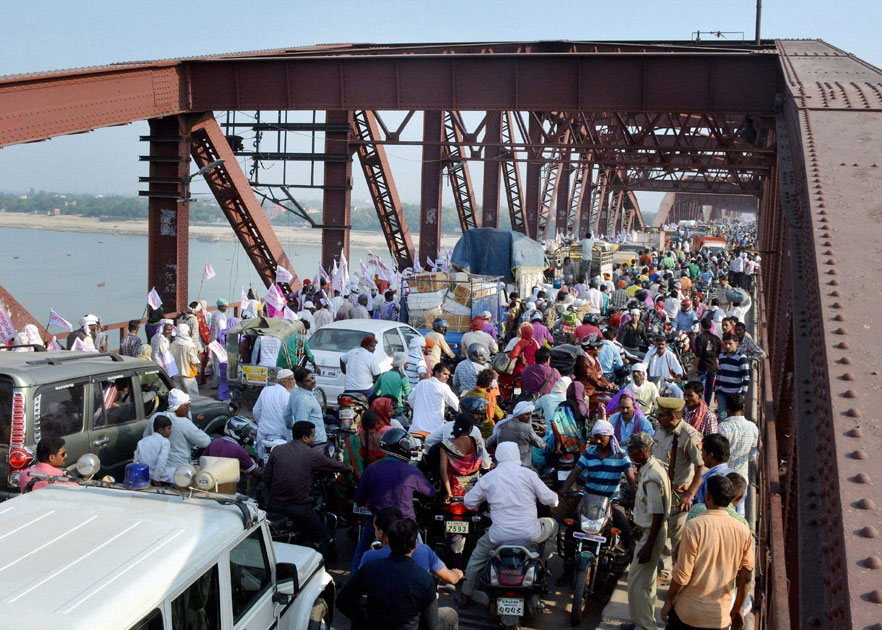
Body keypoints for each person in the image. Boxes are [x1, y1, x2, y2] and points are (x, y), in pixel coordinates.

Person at [460, 441, 559, 607]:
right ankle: (541, 560)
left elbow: (469, 503)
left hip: (498, 537)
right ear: (516, 456)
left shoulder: (489, 478)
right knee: (553, 525)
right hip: (530, 535)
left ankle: (465, 594)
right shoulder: (528, 474)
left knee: (476, 558)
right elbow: (551, 500)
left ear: (497, 456)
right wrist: (555, 496)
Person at [661, 476, 754, 630]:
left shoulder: (694, 526)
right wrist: (737, 608)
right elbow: (746, 576)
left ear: (708, 496)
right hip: (719, 617)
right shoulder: (743, 531)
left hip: (688, 614)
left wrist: (668, 601)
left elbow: (683, 574)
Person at [556, 416, 636, 582]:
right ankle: (567, 569)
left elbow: (629, 475)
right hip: (588, 501)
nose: (598, 441)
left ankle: (628, 562)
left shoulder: (620, 455)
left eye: (602, 437)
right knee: (572, 531)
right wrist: (564, 489)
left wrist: (634, 491)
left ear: (610, 437)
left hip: (611, 502)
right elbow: (576, 471)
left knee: (626, 529)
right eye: (596, 437)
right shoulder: (589, 452)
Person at [352, 428, 435, 573]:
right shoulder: (412, 472)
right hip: (406, 525)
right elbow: (430, 493)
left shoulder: (371, 470)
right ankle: (427, 582)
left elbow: (358, 498)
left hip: (378, 524)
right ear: (402, 449)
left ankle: (352, 582)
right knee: (422, 555)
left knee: (360, 553)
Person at [264, 421, 353, 558]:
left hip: (274, 505)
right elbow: (334, 465)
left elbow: (266, 478)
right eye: (313, 436)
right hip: (298, 508)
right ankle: (320, 567)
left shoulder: (277, 450)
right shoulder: (311, 454)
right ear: (305, 438)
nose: (314, 439)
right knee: (322, 537)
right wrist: (350, 468)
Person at [339, 517, 444, 630]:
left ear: (388, 541)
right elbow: (431, 625)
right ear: (415, 544)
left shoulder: (370, 569)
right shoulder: (424, 579)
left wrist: (361, 619)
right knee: (450, 615)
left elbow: (343, 601)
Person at [651, 397, 706, 582]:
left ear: (673, 416)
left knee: (678, 538)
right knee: (660, 531)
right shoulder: (659, 431)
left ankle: (681, 576)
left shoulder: (689, 435)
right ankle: (665, 571)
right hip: (658, 491)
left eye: (661, 415)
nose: (658, 418)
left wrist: (689, 495)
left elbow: (702, 466)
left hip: (678, 495)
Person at [622, 431, 671, 630]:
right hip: (648, 532)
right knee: (646, 583)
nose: (629, 453)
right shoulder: (650, 468)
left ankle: (644, 627)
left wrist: (648, 546)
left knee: (636, 585)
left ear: (642, 452)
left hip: (650, 533)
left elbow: (657, 514)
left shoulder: (652, 476)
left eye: (632, 450)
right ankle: (643, 623)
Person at [359, 507, 464, 591]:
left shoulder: (369, 556)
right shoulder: (424, 551)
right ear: (415, 544)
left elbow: (357, 587)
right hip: (415, 614)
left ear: (381, 533)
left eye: (375, 529)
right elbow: (450, 578)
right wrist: (457, 573)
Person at [142, 389, 210, 469]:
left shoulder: (155, 417)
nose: (188, 409)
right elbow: (205, 442)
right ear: (179, 407)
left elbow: (145, 437)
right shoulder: (183, 422)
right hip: (179, 471)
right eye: (186, 406)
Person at [718, 393, 759, 515]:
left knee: (721, 509)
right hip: (742, 476)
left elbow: (719, 454)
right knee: (740, 509)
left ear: (727, 408)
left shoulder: (723, 427)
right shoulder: (753, 428)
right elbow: (752, 456)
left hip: (725, 475)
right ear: (743, 407)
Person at [487, 400, 545, 468]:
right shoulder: (526, 428)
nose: (529, 417)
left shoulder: (501, 425)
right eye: (526, 414)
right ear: (519, 414)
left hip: (502, 465)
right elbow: (541, 444)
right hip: (523, 465)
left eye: (530, 414)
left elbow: (489, 443)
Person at [253, 368, 296, 459]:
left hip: (263, 433)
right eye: (292, 379)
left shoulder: (265, 390)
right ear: (284, 381)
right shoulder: (287, 395)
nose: (294, 382)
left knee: (261, 460)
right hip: (281, 435)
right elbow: (291, 419)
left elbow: (256, 411)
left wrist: (261, 424)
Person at [439, 415, 484, 501]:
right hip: (473, 492)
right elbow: (480, 464)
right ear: (470, 429)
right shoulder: (477, 442)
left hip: (454, 490)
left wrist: (449, 493)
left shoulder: (446, 444)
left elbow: (442, 470)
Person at [408, 362, 460, 435]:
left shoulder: (421, 383)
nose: (447, 377)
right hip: (434, 431)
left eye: (448, 375)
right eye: (445, 374)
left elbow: (410, 400)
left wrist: (418, 408)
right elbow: (457, 405)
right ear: (436, 373)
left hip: (415, 429)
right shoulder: (443, 387)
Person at [285, 367, 327, 450]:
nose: (312, 381)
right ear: (300, 383)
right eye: (308, 381)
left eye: (312, 378)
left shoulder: (295, 391)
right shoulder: (305, 400)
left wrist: (290, 426)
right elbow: (302, 424)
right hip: (315, 443)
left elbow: (287, 414)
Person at [358, 399, 405, 466]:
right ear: (382, 411)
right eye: (389, 410)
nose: (392, 412)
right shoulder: (388, 430)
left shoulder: (360, 429)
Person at [692, 433, 734, 506]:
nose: (701, 455)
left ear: (711, 455)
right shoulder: (734, 475)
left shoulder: (712, 479)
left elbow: (704, 505)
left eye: (703, 452)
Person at [715, 333, 750, 421]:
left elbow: (746, 377)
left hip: (735, 393)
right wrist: (716, 391)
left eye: (730, 344)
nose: (727, 346)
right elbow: (719, 375)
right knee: (721, 416)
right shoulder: (721, 356)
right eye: (725, 343)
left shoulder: (741, 358)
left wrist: (743, 394)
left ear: (736, 343)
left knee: (734, 416)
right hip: (722, 391)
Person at [133, 415, 173, 484]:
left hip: (144, 477)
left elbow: (136, 462)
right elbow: (162, 462)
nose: (170, 431)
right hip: (160, 478)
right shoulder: (164, 442)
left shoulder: (142, 441)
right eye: (168, 429)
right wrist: (156, 479)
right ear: (160, 430)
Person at [465, 368, 505, 435]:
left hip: (468, 429)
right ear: (490, 383)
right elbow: (498, 415)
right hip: (485, 431)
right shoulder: (488, 397)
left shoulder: (468, 394)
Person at [692, 318, 721, 404]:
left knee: (702, 386)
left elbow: (698, 355)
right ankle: (707, 404)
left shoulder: (700, 338)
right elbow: (718, 353)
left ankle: (702, 405)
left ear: (702, 326)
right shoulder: (716, 338)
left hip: (702, 365)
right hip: (712, 365)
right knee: (709, 387)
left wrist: (695, 367)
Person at [170, 323, 200, 397]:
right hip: (187, 372)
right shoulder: (189, 345)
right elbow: (194, 360)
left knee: (179, 395)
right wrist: (199, 365)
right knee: (193, 395)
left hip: (176, 372)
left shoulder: (172, 344)